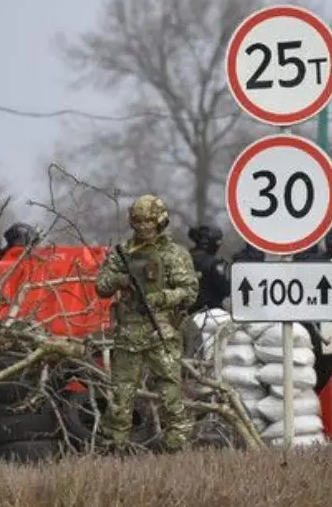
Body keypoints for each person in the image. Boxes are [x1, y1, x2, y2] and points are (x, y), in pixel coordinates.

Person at [94, 194, 198, 453]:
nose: (143, 226)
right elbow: (101, 287)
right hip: (128, 336)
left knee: (171, 398)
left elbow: (189, 292)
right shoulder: (122, 254)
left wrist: (162, 298)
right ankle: (113, 451)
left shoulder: (174, 254)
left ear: (160, 221)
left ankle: (177, 450)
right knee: (120, 399)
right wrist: (121, 279)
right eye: (138, 221)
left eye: (148, 221)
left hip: (161, 333)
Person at [187, 225, 230, 314]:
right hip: (210, 311)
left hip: (187, 312)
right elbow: (225, 289)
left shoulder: (184, 258)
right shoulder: (215, 263)